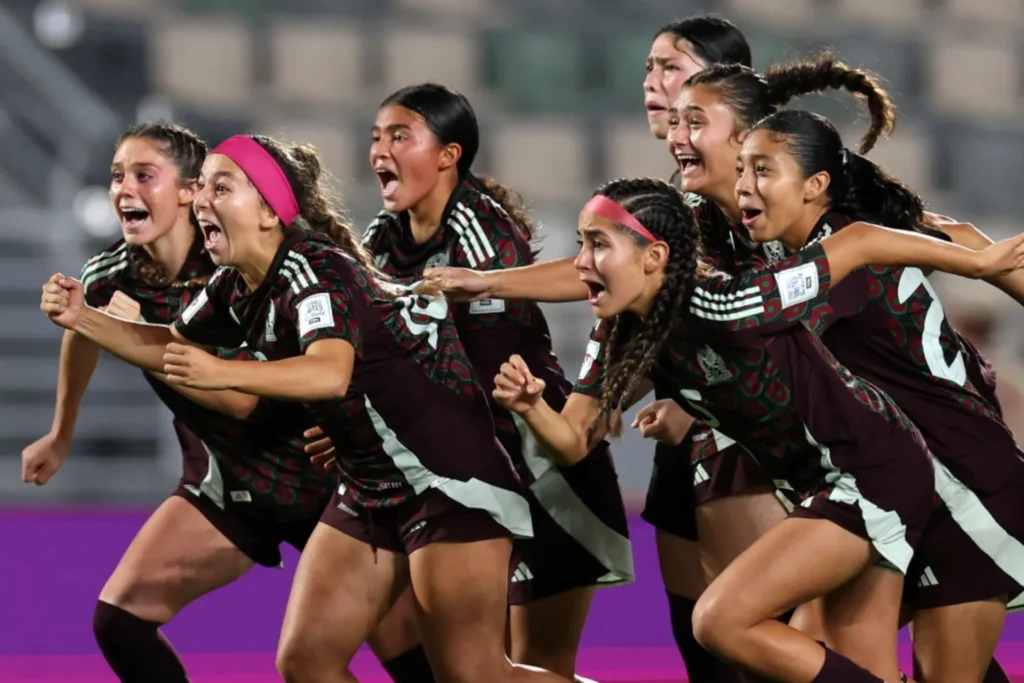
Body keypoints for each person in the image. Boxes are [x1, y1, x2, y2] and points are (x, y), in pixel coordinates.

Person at [40, 133, 574, 683]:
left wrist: (222, 370)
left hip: (445, 480)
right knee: (306, 661)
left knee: (474, 675)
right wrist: (84, 317)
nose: (202, 200)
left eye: (221, 187)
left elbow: (328, 371)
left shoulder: (314, 271)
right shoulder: (232, 283)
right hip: (368, 485)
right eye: (204, 188)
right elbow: (167, 341)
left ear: (270, 212)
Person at [483, 176, 1024, 682]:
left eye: (598, 244)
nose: (580, 263)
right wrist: (533, 409)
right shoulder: (623, 329)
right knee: (835, 658)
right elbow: (575, 441)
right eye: (581, 243)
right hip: (827, 483)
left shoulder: (733, 301)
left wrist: (977, 265)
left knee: (720, 620)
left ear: (654, 257)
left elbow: (859, 242)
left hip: (872, 471)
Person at [733, 108, 1024, 683]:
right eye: (742, 168)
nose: (745, 184)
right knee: (813, 653)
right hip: (903, 491)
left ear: (815, 185)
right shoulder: (811, 247)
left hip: (969, 488)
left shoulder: (844, 257)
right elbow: (954, 235)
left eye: (763, 169)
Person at [355, 82, 633, 679]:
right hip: (457, 473)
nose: (379, 149)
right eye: (377, 136)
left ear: (449, 155)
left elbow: (482, 360)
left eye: (400, 136)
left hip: (538, 467)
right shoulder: (383, 238)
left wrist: (481, 285)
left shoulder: (482, 232)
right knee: (453, 659)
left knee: (533, 665)